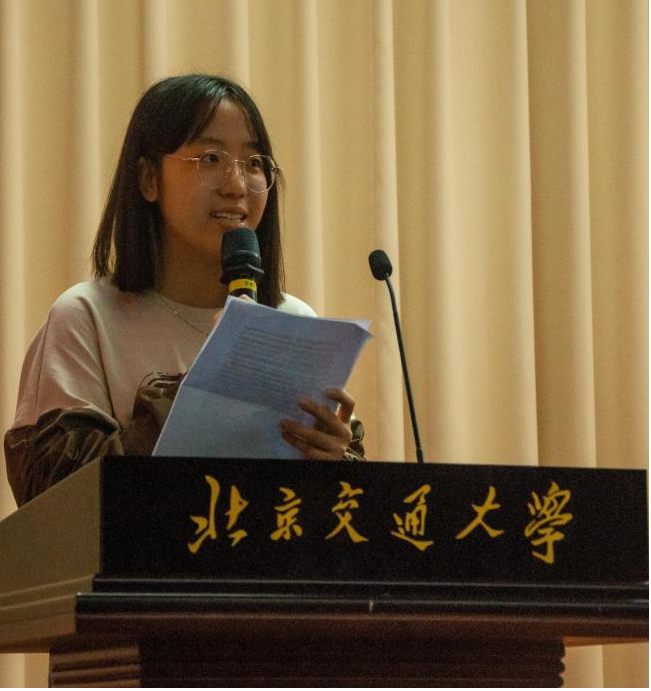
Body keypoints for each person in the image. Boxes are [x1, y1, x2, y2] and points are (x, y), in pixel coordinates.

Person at [4, 74, 365, 507]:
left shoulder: (294, 321)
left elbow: (333, 515)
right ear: (149, 179)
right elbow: (54, 496)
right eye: (210, 158)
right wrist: (199, 391)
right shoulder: (86, 316)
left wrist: (336, 460)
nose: (236, 185)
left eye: (254, 163)